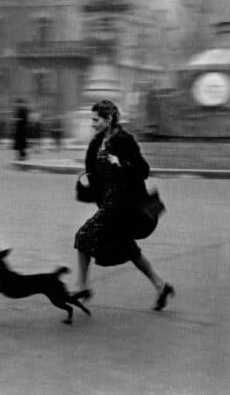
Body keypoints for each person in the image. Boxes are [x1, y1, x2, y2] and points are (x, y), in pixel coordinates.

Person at [73, 99, 174, 311]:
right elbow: (95, 174)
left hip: (124, 206)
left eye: (96, 119)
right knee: (129, 250)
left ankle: (82, 287)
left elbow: (143, 169)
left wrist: (122, 163)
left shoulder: (124, 141)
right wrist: (88, 188)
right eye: (92, 119)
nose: (92, 124)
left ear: (109, 119)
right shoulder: (97, 143)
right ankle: (161, 286)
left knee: (83, 236)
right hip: (109, 205)